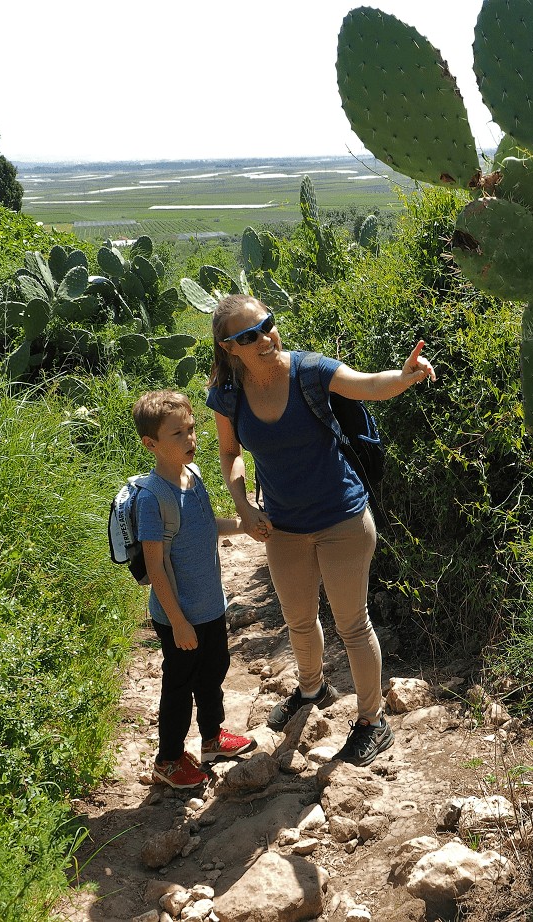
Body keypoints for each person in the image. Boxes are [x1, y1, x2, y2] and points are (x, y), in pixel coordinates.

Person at [204, 294, 436, 767]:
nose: (264, 338)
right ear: (230, 348)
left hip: (343, 520)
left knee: (352, 624)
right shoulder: (227, 394)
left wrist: (406, 376)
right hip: (284, 527)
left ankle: (373, 722)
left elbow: (367, 385)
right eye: (248, 336)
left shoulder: (309, 370)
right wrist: (243, 505)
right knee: (299, 619)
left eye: (266, 325)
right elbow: (230, 454)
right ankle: (312, 689)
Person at [133, 389, 256, 789]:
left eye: (191, 429)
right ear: (151, 443)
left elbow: (205, 528)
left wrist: (245, 525)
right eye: (177, 434)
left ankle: (213, 739)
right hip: (179, 616)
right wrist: (180, 622)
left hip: (210, 606)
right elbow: (155, 566)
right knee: (179, 686)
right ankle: (168, 759)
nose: (190, 439)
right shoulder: (154, 498)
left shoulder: (195, 475)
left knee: (213, 673)